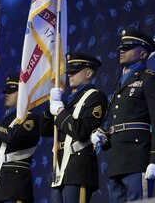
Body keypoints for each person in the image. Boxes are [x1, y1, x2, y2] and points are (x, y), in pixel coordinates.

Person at [91, 28, 155, 202]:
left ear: (143, 53)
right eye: (121, 47)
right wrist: (104, 136)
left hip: (138, 158)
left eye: (128, 47)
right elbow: (122, 122)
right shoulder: (120, 82)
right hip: (117, 160)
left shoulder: (150, 79)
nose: (122, 50)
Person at [40, 52, 108, 203]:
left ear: (88, 73)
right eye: (69, 71)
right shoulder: (67, 102)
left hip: (78, 169)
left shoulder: (95, 97)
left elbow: (81, 131)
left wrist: (59, 111)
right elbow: (44, 130)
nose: (70, 75)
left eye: (75, 71)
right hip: (59, 169)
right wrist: (51, 105)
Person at [0, 74, 40, 203]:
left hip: (13, 186)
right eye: (6, 91)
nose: (7, 94)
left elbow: (13, 137)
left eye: (12, 91)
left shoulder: (30, 118)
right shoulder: (4, 120)